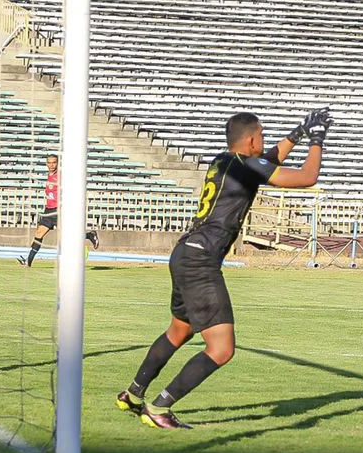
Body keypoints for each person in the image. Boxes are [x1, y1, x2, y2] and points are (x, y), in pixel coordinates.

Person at [116, 107, 332, 430]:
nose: (265, 139)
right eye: (261, 135)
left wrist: (297, 133)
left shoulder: (226, 160)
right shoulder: (245, 165)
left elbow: (268, 160)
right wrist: (317, 139)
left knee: (179, 331)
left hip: (184, 252)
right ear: (250, 140)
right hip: (201, 259)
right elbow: (306, 178)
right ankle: (159, 407)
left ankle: (133, 394)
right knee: (221, 348)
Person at [18, 153, 99, 267]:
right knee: (39, 234)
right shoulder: (49, 175)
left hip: (58, 210)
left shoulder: (61, 175)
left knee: (69, 235)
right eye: (49, 163)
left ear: (57, 163)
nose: (51, 165)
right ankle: (28, 261)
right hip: (48, 210)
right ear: (46, 164)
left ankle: (90, 235)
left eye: (54, 162)